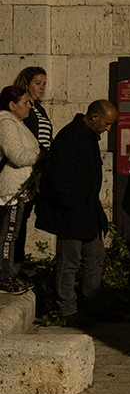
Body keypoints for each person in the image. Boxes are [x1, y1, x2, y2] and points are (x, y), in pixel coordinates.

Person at [35, 99, 118, 324]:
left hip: (88, 209)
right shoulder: (69, 137)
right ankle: (67, 309)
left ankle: (93, 302)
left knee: (95, 256)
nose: (108, 129)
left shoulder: (89, 136)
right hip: (70, 212)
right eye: (107, 123)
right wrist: (74, 206)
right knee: (69, 261)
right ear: (93, 117)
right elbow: (60, 181)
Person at [0, 86, 40, 294]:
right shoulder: (6, 122)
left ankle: (7, 275)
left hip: (17, 190)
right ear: (12, 105)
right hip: (11, 191)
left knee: (11, 233)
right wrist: (40, 155)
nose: (30, 106)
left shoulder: (15, 122)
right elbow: (17, 156)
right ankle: (4, 277)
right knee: (8, 235)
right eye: (25, 103)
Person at [12, 66, 51, 263]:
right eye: (38, 83)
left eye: (44, 84)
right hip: (25, 170)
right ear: (26, 84)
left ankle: (17, 262)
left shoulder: (39, 108)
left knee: (24, 217)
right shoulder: (20, 107)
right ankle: (13, 263)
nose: (42, 87)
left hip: (38, 169)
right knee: (16, 219)